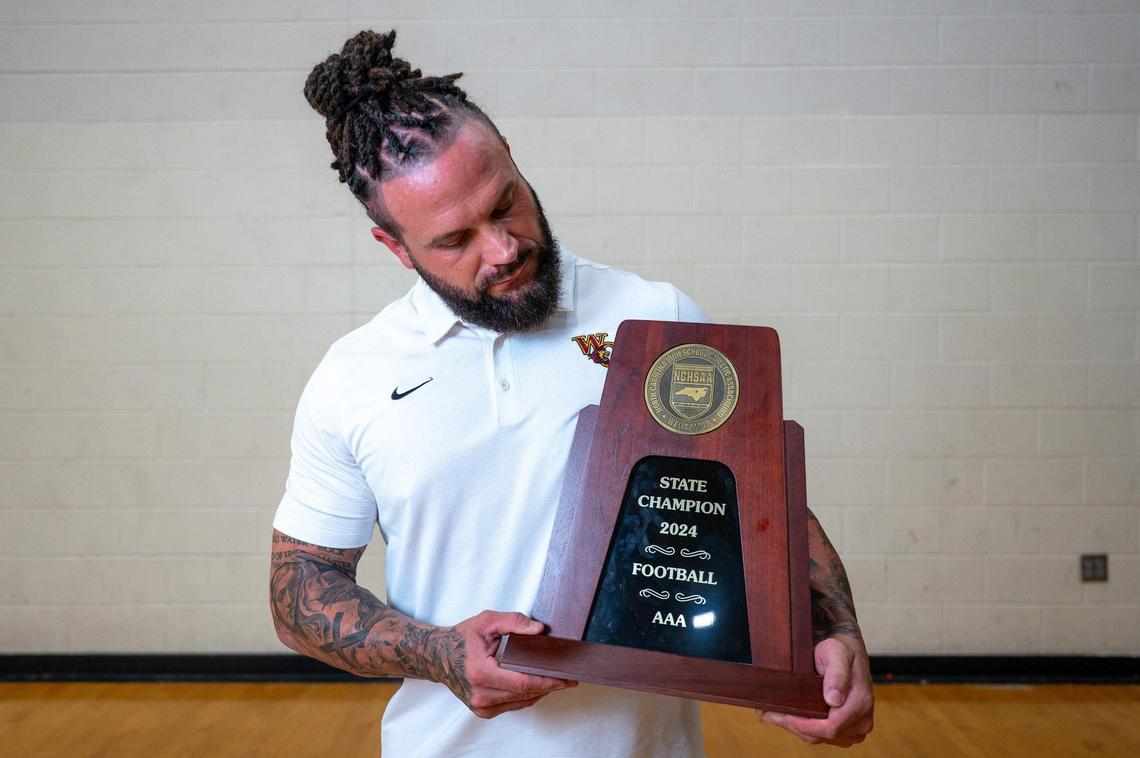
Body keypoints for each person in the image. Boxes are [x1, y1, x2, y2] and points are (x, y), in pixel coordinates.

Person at [270, 29, 873, 756]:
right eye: (455, 240)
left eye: (506, 205)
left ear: (516, 161)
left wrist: (833, 631)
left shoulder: (658, 320)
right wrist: (438, 652)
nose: (502, 250)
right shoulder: (353, 376)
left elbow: (758, 500)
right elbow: (300, 588)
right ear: (395, 247)